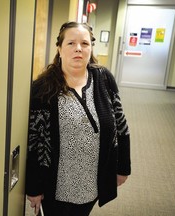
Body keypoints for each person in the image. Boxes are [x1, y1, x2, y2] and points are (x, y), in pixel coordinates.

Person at [25, 21, 131, 216]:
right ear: (59, 48)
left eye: (85, 43)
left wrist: (123, 166)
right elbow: (35, 142)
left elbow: (121, 125)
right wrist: (34, 186)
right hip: (57, 187)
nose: (78, 49)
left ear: (91, 48)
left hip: (92, 183)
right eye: (71, 43)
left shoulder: (104, 78)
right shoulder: (43, 88)